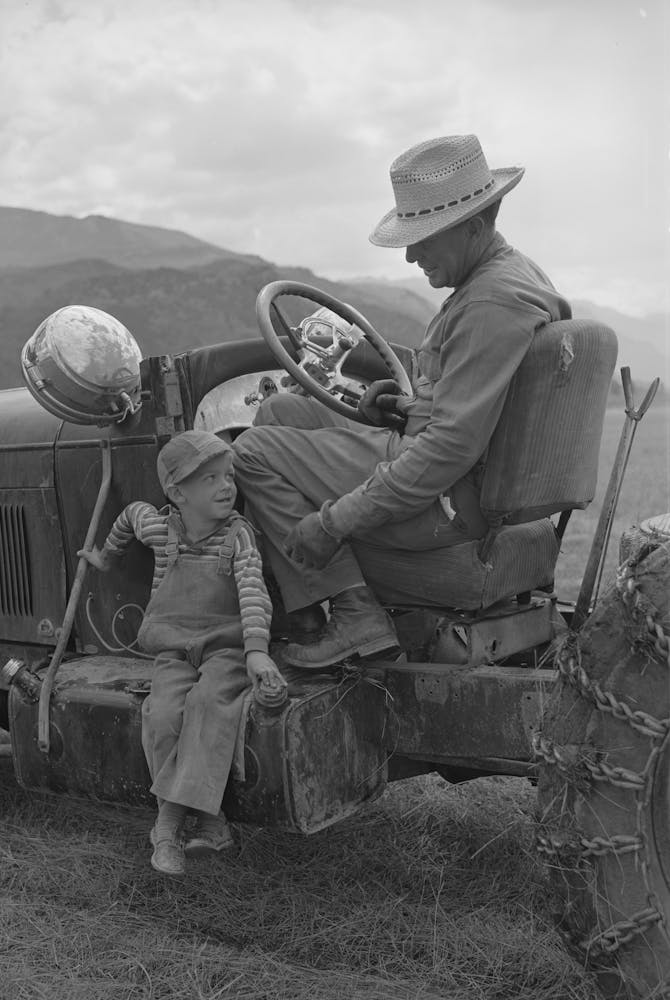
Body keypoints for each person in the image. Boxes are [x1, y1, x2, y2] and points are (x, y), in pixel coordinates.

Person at [233, 133, 571, 670]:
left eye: (424, 239)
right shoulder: (503, 278)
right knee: (281, 411)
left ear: (473, 227)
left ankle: (353, 612)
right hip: (460, 477)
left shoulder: (490, 303)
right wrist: (402, 406)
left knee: (249, 451)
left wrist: (334, 521)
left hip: (450, 501)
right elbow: (460, 408)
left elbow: (447, 449)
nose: (412, 254)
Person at [79, 430, 287, 876]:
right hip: (173, 650)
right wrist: (106, 558)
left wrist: (256, 652)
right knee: (162, 714)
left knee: (210, 704)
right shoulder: (162, 528)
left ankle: (168, 823)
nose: (226, 486)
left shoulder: (239, 537)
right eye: (210, 478)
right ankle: (213, 823)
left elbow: (253, 593)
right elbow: (129, 516)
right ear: (177, 493)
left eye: (228, 475)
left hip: (225, 649)